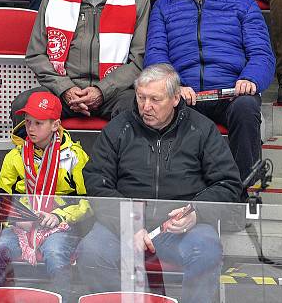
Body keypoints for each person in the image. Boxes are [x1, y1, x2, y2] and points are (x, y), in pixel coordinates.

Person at [76, 64, 243, 303]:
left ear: (176, 98)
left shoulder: (201, 129)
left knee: (207, 251)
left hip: (180, 227)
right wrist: (129, 223)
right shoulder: (119, 127)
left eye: (155, 99)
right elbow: (95, 180)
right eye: (141, 97)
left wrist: (197, 211)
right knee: (91, 253)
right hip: (122, 223)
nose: (146, 106)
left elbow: (228, 183)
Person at [144, 0, 275, 185]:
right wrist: (174, 87)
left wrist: (249, 79)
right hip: (185, 95)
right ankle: (176, 191)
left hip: (230, 93)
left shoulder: (243, 4)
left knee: (246, 107)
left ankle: (245, 189)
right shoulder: (163, 6)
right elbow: (156, 55)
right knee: (158, 107)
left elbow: (262, 54)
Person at [11, 0, 150, 126]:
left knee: (136, 108)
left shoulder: (137, 1)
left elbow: (138, 61)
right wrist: (65, 88)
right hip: (63, 90)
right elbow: (36, 54)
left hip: (113, 92)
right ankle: (35, 158)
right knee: (24, 105)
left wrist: (102, 91)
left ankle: (118, 158)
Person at [0, 91, 90, 300]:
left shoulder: (74, 156)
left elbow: (87, 201)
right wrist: (17, 218)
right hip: (21, 226)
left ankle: (64, 298)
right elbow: (1, 200)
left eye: (38, 123)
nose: (30, 128)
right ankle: (0, 298)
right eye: (28, 122)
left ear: (55, 125)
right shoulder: (14, 156)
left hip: (60, 225)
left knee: (55, 254)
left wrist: (58, 216)